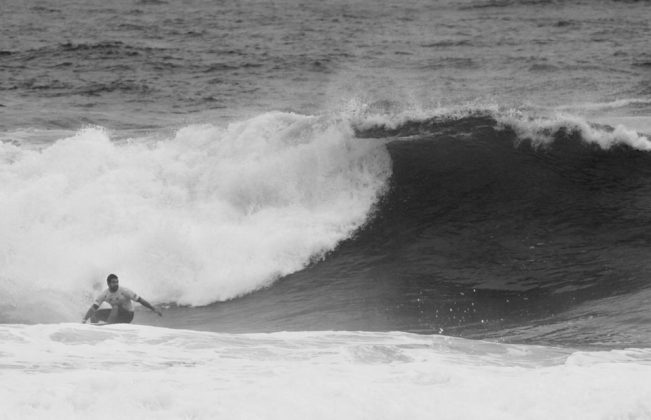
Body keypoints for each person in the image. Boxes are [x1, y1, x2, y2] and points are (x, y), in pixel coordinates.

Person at [82, 274, 162, 324]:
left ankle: (109, 326)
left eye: (117, 282)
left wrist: (153, 309)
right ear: (108, 283)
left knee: (116, 306)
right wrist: (84, 319)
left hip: (128, 316)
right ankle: (95, 332)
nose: (116, 284)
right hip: (115, 316)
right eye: (113, 282)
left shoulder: (124, 291)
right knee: (95, 315)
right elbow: (94, 307)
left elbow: (140, 300)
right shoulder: (105, 294)